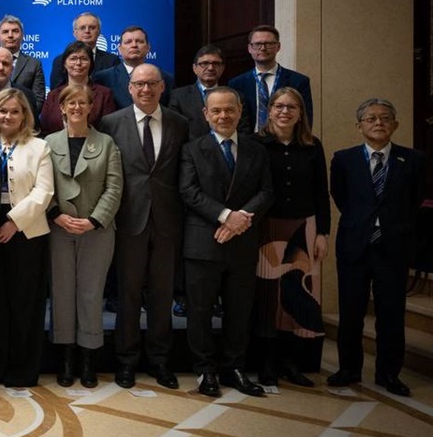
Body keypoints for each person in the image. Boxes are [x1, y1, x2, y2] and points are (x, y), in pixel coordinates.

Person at [98, 65, 189, 389]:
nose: (146, 89)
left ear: (162, 87)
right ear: (130, 88)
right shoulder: (111, 123)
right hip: (128, 220)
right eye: (139, 84)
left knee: (162, 294)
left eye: (152, 83)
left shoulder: (180, 123)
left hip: (167, 221)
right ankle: (126, 361)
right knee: (128, 293)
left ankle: (160, 361)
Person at [328, 98, 426, 396]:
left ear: (395, 124)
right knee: (351, 311)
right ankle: (349, 369)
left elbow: (415, 200)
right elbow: (341, 197)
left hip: (394, 246)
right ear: (359, 126)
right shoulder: (344, 159)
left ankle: (388, 373)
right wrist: (365, 223)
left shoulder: (414, 160)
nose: (378, 123)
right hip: (355, 245)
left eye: (385, 118)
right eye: (371, 118)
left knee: (391, 313)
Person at [179, 86, 273, 398]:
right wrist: (225, 216)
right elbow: (188, 191)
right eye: (216, 110)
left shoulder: (256, 150)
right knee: (200, 311)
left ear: (240, 111)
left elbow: (266, 192)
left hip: (242, 242)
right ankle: (205, 370)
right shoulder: (192, 149)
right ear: (205, 114)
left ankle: (234, 368)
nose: (223, 116)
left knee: (239, 310)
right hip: (203, 243)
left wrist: (240, 219)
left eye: (229, 110)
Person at [45, 84, 123, 389]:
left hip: (96, 231)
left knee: (91, 294)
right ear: (62, 108)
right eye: (71, 103)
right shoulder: (48, 143)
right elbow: (42, 185)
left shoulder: (106, 143)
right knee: (62, 293)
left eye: (82, 103)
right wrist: (56, 214)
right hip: (59, 229)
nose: (76, 107)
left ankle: (89, 359)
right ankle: (66, 359)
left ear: (91, 108)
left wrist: (93, 220)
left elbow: (114, 188)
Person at [251, 87, 330, 388]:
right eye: (279, 106)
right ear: (269, 110)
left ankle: (291, 363)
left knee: (298, 295)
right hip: (267, 228)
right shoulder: (256, 143)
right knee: (269, 297)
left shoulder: (312, 145)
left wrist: (322, 233)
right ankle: (266, 363)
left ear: (300, 113)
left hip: (303, 229)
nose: (285, 112)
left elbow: (321, 192)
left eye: (292, 107)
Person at [0, 88, 54, 387]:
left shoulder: (39, 147)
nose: (7, 116)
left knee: (25, 301)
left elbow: (44, 191)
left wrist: (13, 222)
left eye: (14, 111)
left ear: (24, 116)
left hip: (27, 230)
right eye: (2, 111)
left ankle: (22, 369)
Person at [229, 24, 314, 134]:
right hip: (249, 142)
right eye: (257, 44)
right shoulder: (236, 84)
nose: (263, 48)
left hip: (285, 141)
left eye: (268, 44)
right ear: (249, 48)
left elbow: (306, 119)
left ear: (278, 47)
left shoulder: (299, 81)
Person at [0, 15, 46, 112]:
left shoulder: (34, 64)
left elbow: (38, 100)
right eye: (5, 32)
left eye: (15, 31)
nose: (10, 35)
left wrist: (20, 117)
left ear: (22, 36)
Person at [40, 41, 116, 134]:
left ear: (91, 64)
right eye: (73, 59)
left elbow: (109, 129)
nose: (78, 63)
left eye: (84, 59)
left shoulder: (104, 95)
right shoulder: (53, 96)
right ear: (64, 64)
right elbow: (44, 129)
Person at [91, 26, 175, 109]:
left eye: (139, 41)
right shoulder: (103, 78)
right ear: (119, 49)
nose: (134, 45)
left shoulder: (165, 79)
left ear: (148, 47)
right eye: (128, 42)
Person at [48, 12, 120, 90]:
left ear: (99, 32)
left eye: (92, 28)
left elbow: (117, 91)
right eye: (82, 28)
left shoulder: (112, 60)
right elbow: (56, 92)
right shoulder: (60, 60)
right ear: (74, 33)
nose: (87, 31)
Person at [169, 45, 226, 140]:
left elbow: (242, 132)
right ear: (194, 68)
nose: (210, 68)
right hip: (191, 148)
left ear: (222, 68)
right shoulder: (178, 96)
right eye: (204, 63)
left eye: (216, 63)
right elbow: (174, 133)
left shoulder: (235, 96)